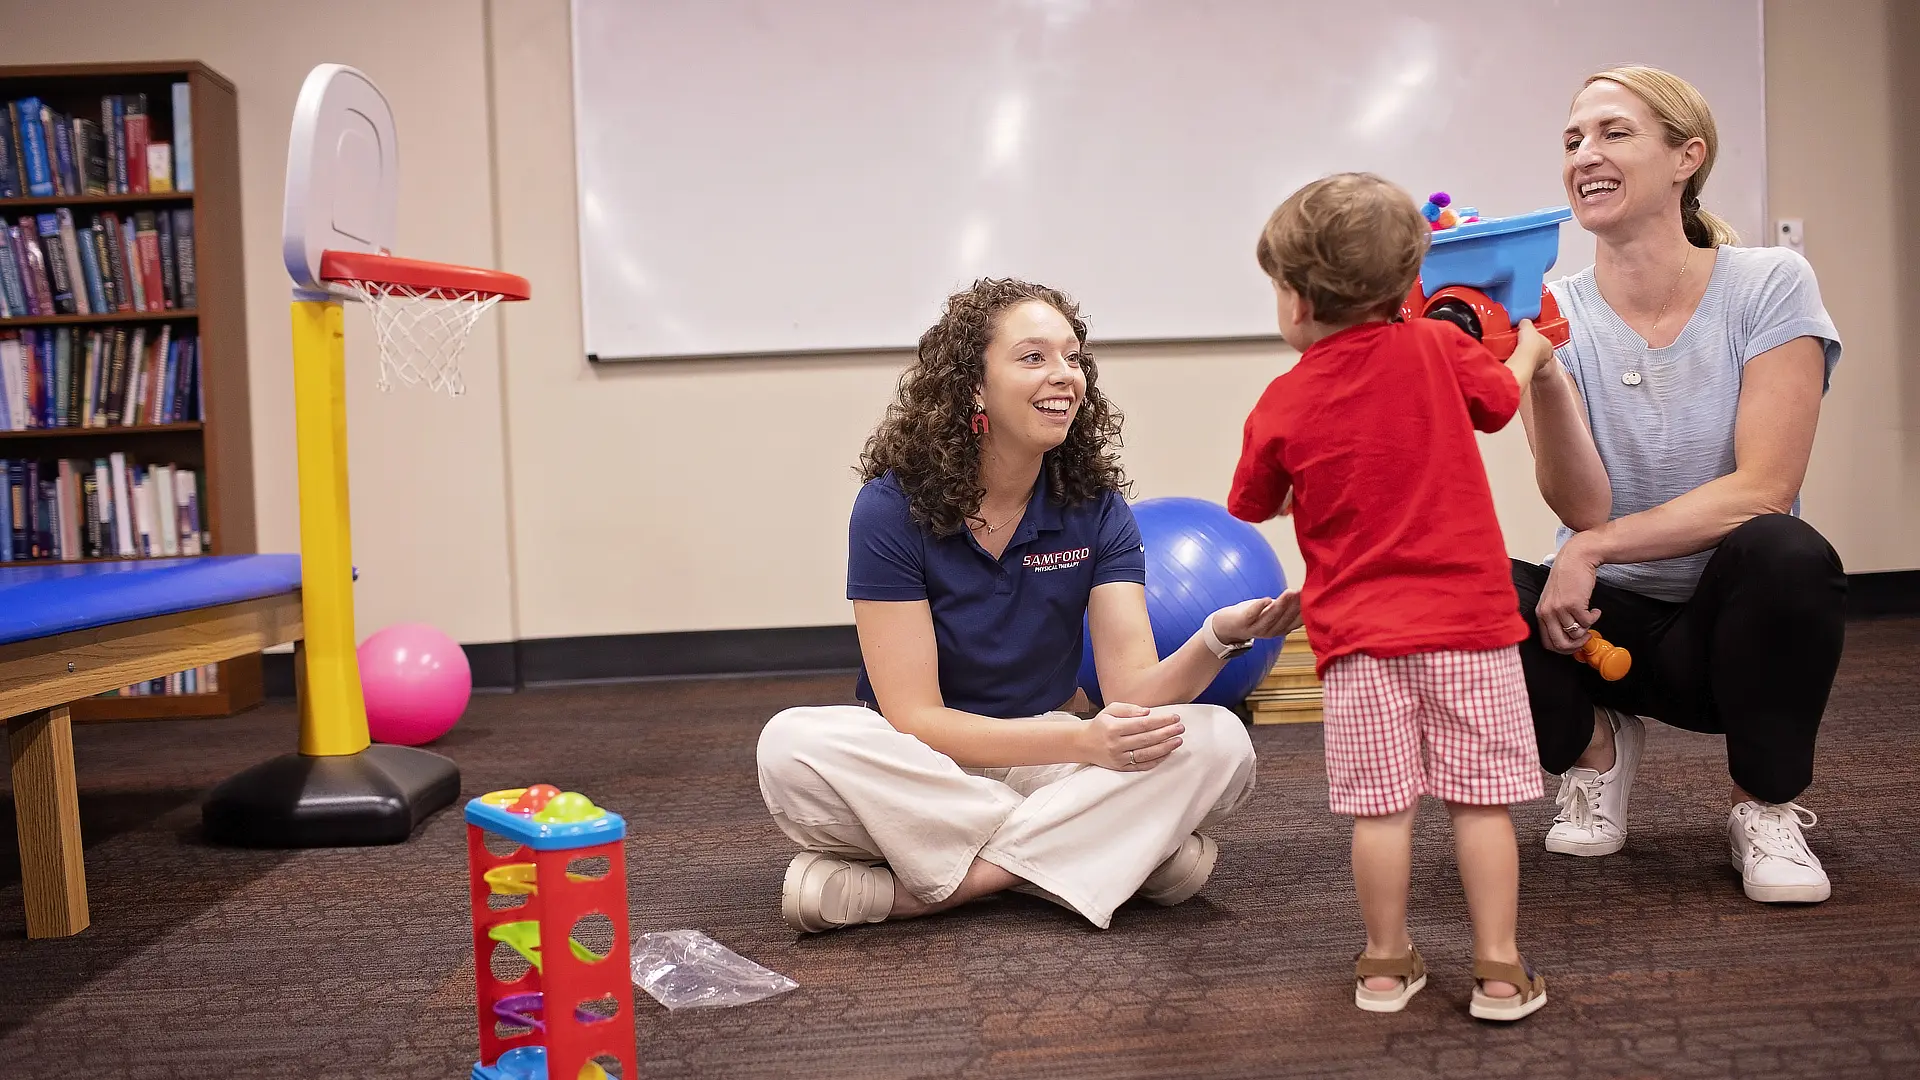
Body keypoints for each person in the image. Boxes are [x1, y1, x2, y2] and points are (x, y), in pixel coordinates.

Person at [755, 278, 1299, 935]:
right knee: (790, 745)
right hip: (922, 762)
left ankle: (935, 890)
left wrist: (1217, 638)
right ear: (974, 387)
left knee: (1219, 743)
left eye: (1073, 357)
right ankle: (1109, 852)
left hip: (1045, 756)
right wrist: (1083, 745)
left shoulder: (1096, 510)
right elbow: (916, 717)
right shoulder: (890, 507)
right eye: (1033, 357)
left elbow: (1134, 690)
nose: (1065, 375)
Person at [1514, 65, 1846, 904]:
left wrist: (1592, 547)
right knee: (1467, 573)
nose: (1585, 153)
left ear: (1685, 158)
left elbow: (1764, 486)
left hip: (1728, 633)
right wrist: (1543, 374)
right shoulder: (1549, 309)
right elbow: (1582, 507)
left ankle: (1763, 808)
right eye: (1573, 139)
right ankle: (1596, 752)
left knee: (1788, 549)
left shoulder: (1768, 283)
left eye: (1614, 133)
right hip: (1596, 634)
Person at [1228, 172, 1556, 1021]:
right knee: (1481, 803)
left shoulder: (1282, 399)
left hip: (1360, 642)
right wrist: (1527, 348)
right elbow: (1500, 400)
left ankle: (1383, 963)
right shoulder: (1439, 350)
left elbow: (1254, 505)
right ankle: (1498, 969)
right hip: (1472, 628)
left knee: (1381, 811)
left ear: (1297, 303)